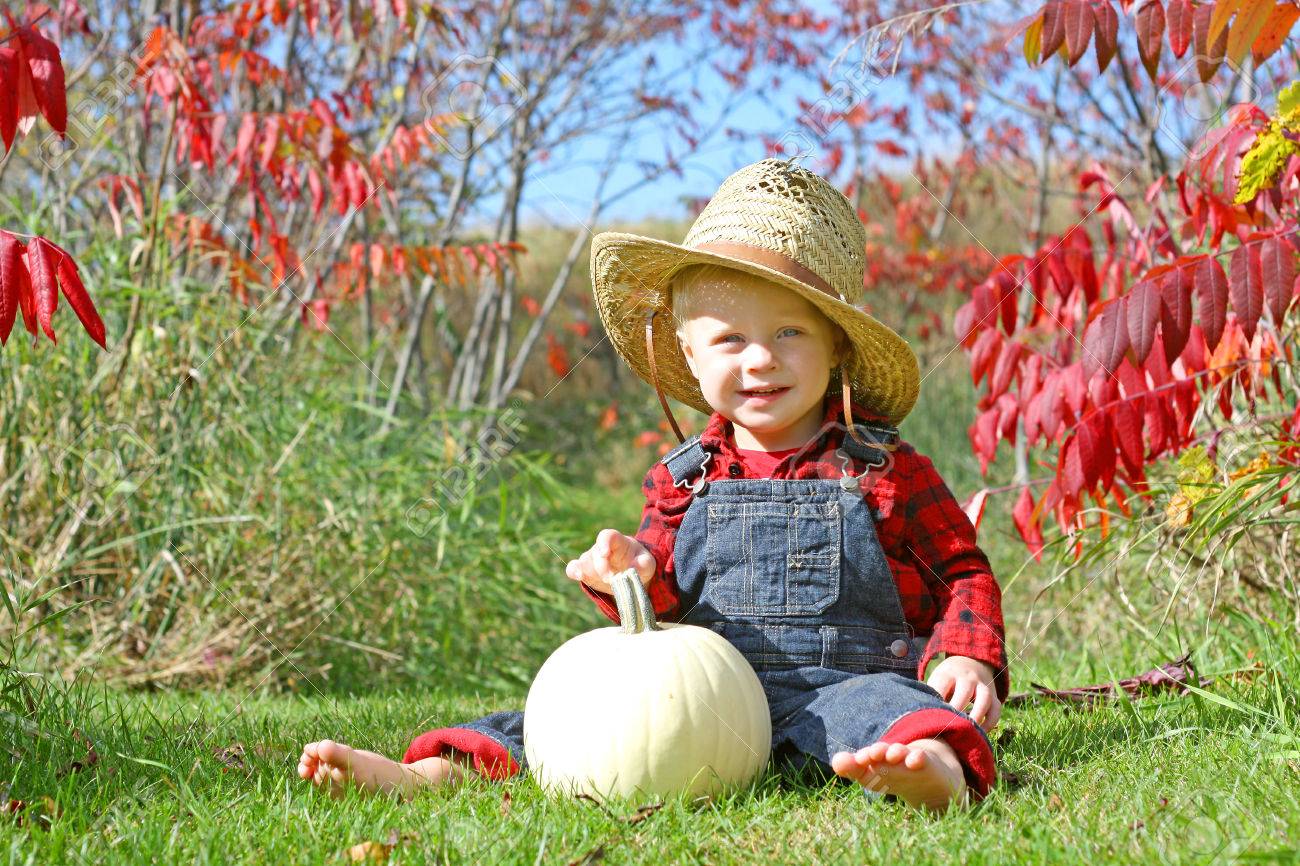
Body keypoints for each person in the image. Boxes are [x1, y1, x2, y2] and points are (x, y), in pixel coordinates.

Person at [298, 158, 1008, 812]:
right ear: (691, 358)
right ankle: (432, 773)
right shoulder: (683, 481)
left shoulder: (884, 468)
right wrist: (630, 574)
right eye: (729, 340)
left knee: (894, 709)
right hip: (705, 706)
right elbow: (660, 613)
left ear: (836, 349)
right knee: (564, 723)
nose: (760, 359)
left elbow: (961, 569)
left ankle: (929, 769)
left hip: (843, 690)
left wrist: (967, 653)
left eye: (790, 333)